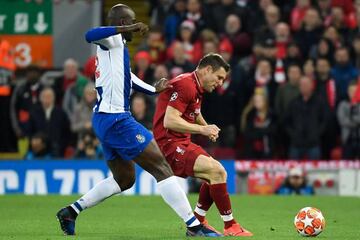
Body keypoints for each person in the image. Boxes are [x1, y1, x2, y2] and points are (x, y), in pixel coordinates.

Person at [56, 4, 220, 238]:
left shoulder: (118, 45)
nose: (136, 29)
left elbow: (128, 77)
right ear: (123, 24)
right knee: (162, 167)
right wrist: (128, 28)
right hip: (116, 119)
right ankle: (195, 226)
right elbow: (89, 34)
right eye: (131, 23)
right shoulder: (110, 40)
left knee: (124, 179)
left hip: (106, 119)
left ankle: (71, 211)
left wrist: (154, 89)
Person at [153, 53, 253, 236]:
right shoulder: (186, 86)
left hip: (180, 141)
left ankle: (198, 222)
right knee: (218, 172)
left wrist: (207, 127)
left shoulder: (195, 86)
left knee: (214, 174)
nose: (221, 83)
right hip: (170, 144)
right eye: (219, 77)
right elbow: (169, 121)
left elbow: (195, 112)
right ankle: (230, 225)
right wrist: (202, 131)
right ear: (207, 70)